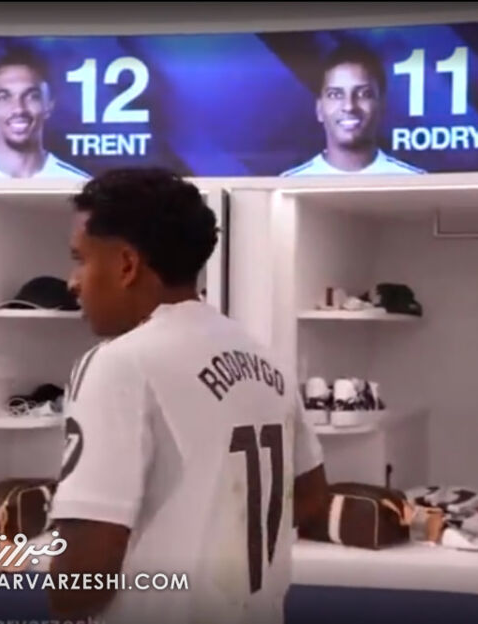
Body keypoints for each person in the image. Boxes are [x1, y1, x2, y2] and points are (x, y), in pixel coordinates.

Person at [45, 168, 329, 624]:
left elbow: (80, 584)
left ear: (126, 265)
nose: (72, 282)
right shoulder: (262, 355)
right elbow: (312, 497)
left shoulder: (119, 362)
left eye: (81, 259)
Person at [281, 42, 424, 176]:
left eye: (363, 94)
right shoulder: (289, 184)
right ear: (319, 109)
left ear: (382, 105)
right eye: (335, 95)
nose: (349, 106)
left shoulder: (414, 180)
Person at [0, 47, 89, 180]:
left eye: (32, 96)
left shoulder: (78, 183)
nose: (19, 109)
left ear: (48, 106)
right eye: (4, 97)